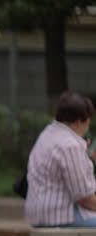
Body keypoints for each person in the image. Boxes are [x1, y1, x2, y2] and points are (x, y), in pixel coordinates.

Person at [25, 91, 96, 227]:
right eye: (88, 123)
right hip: (61, 217)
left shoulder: (47, 134)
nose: (87, 129)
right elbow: (84, 197)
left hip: (38, 214)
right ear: (79, 121)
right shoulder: (70, 145)